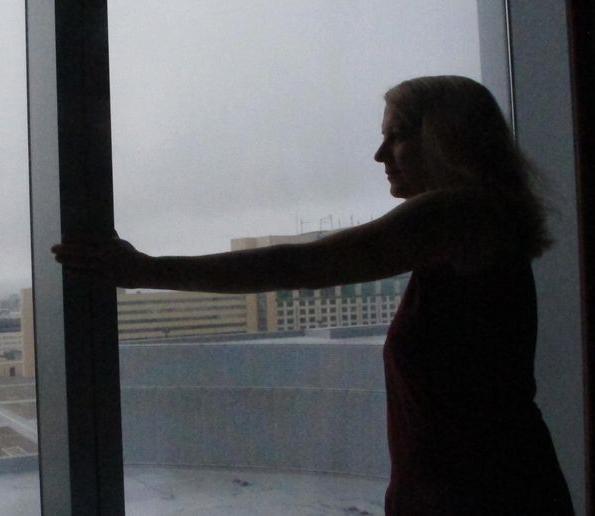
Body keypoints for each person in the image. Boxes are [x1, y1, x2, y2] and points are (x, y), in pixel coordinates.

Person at [52, 75, 573, 515]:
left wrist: (143, 269)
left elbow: (299, 264)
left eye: (396, 136)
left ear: (444, 138)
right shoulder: (477, 226)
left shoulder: (458, 215)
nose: (378, 154)